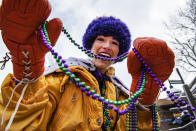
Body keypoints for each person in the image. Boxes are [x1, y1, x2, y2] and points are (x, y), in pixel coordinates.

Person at [0, 0, 175, 130]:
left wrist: (144, 103)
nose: (107, 46)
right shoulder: (62, 77)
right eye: (100, 39)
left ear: (120, 53)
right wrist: (28, 70)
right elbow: (19, 123)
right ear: (90, 46)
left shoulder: (122, 96)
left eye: (114, 43)